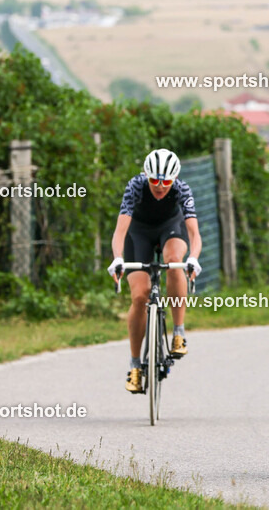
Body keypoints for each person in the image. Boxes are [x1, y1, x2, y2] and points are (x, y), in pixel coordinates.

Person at [107, 148, 202, 393]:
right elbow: (120, 231)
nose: (160, 186)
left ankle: (178, 332)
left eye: (166, 181)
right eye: (155, 180)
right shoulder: (135, 186)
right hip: (138, 234)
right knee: (140, 295)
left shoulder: (182, 189)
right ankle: (136, 366)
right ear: (146, 176)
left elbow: (194, 233)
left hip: (171, 228)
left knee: (173, 260)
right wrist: (117, 258)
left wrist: (193, 257)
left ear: (175, 179)